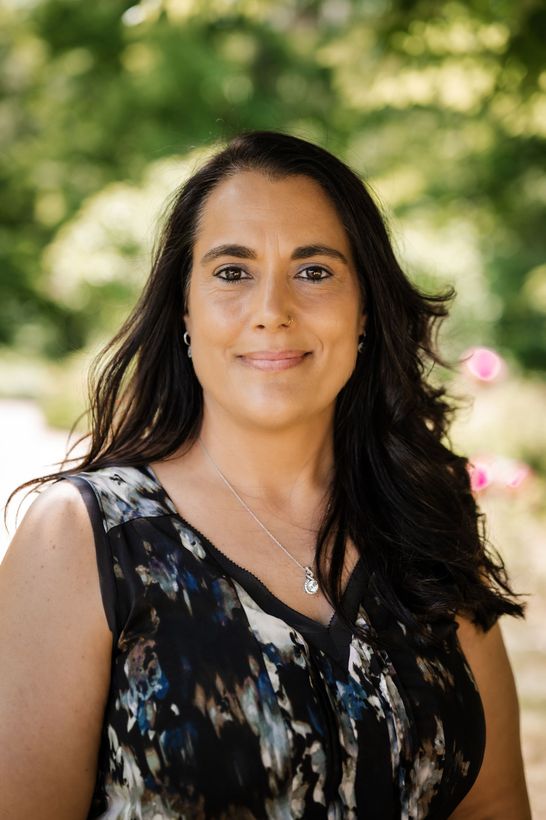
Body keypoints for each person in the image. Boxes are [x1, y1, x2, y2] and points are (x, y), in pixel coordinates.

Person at [0, 130, 531, 819]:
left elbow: (492, 805)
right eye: (232, 272)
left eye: (314, 272)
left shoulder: (424, 520)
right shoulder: (85, 537)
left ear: (364, 312)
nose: (273, 310)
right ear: (184, 312)